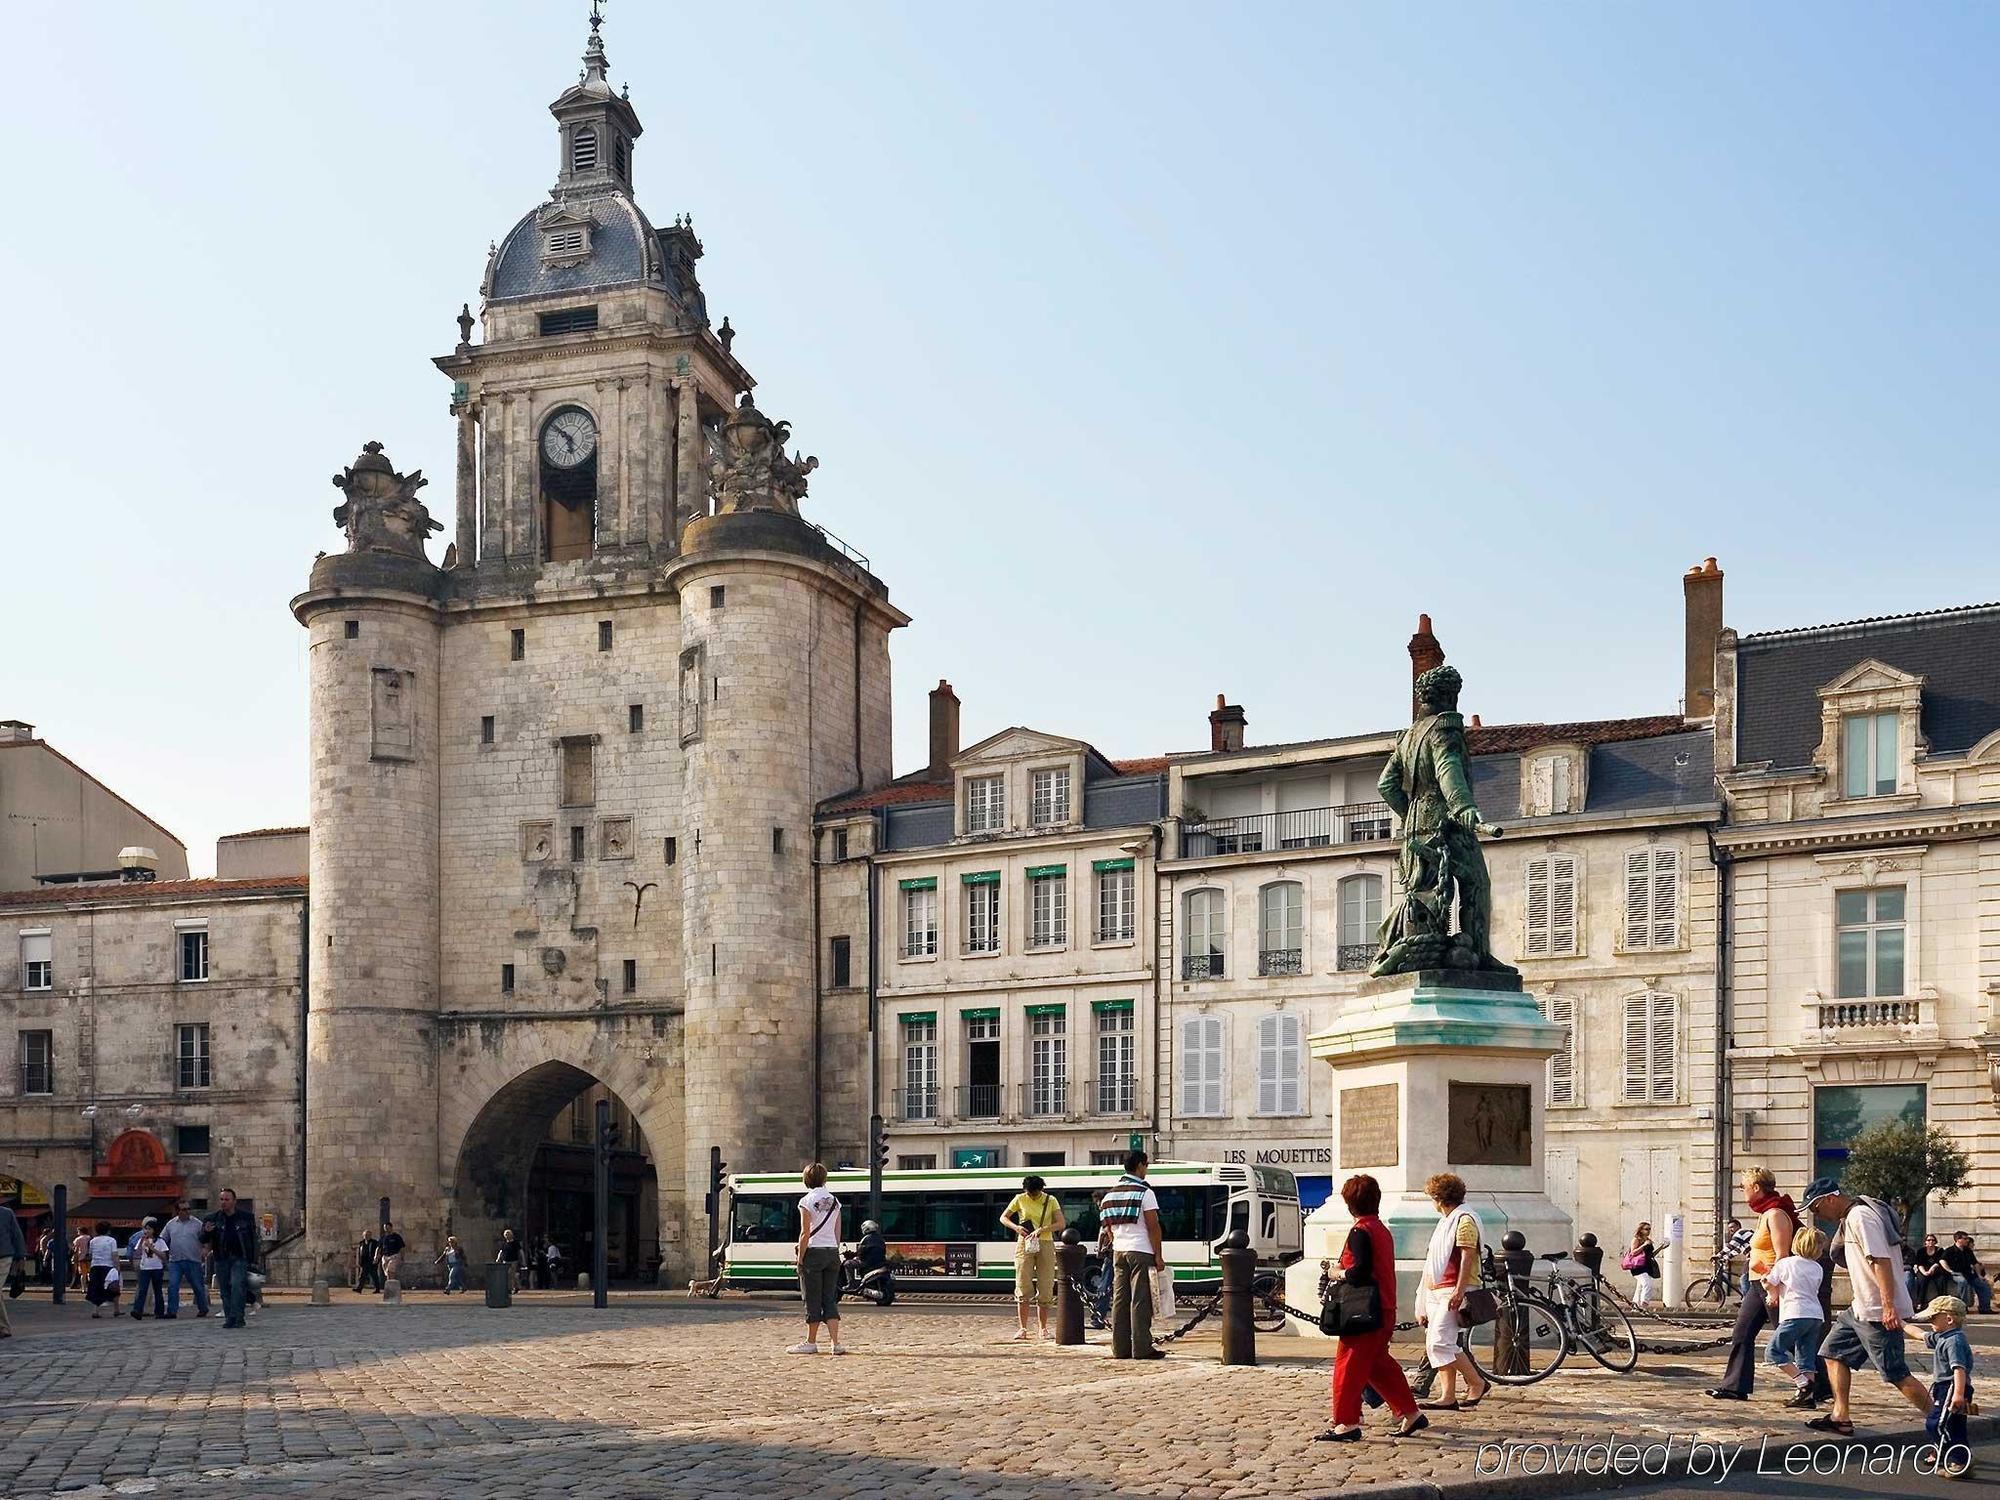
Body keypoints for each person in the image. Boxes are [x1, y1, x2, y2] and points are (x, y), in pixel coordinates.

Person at [1798, 1177, 1931, 1437]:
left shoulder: (1860, 1217)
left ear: (1830, 1199)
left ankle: (1945, 1424)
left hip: (1876, 1310)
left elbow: (1880, 1261)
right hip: (1860, 1307)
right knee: (1832, 1352)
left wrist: (1888, 1306)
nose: (1817, 1215)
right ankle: (1840, 1416)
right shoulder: (1851, 1217)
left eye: (1816, 1208)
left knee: (1896, 1373)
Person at [1315, 1174, 1424, 1443]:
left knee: (1348, 1367)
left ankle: (1346, 1422)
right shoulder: (1382, 1230)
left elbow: (1359, 1272)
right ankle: (1410, 1412)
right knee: (1378, 1366)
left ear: (1350, 1204)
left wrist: (1335, 1272)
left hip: (1362, 1310)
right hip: (1384, 1306)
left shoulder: (1360, 1231)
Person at [1708, 1166, 1796, 1400]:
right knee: (1742, 1333)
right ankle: (1734, 1386)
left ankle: (1818, 1383)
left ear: (1756, 1187)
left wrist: (1774, 1288)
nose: (1742, 1191)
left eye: (1744, 1186)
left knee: (1789, 1338)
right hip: (1757, 1284)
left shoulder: (1776, 1213)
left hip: (1771, 1284)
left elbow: (1782, 1255)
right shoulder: (1765, 1213)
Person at [1415, 1173, 1489, 1410]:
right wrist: (1423, 1300)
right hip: (1437, 1289)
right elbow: (1431, 1263)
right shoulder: (1445, 1222)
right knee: (1438, 1343)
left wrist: (1459, 1289)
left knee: (1439, 1343)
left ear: (1439, 1198)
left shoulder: (1464, 1220)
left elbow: (1468, 1255)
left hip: (1453, 1288)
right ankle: (1448, 1395)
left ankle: (1477, 1382)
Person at [1100, 1150, 1166, 1361]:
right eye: (1146, 1165)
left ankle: (1120, 1348)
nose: (1146, 1170)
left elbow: (1107, 1228)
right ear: (1139, 1165)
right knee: (1140, 1300)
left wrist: (1118, 1240)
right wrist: (1158, 1255)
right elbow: (1153, 1226)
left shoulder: (1109, 1195)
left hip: (1119, 1251)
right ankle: (1142, 1347)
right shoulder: (1144, 1192)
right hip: (1141, 1250)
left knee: (1120, 1300)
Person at [1762, 1225, 1827, 1406]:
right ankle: (1807, 1399)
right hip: (1814, 1314)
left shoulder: (1785, 1264)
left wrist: (1767, 1285)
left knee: (1773, 1352)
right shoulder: (1817, 1268)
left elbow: (1770, 1283)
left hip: (1794, 1312)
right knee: (1806, 1357)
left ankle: (1803, 1384)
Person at [1914, 1294, 1976, 1480]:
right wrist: (1899, 1322)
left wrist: (1958, 1394)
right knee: (1955, 1425)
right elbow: (1919, 1334)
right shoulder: (1943, 1336)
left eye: (1933, 1318)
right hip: (1946, 1387)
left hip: (1951, 1387)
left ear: (1948, 1319)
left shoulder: (1953, 1341)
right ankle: (1958, 1460)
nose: (1930, 1321)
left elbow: (1958, 1369)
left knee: (1937, 1423)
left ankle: (1957, 1458)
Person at [999, 1174, 1066, 1341]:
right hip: (1025, 1243)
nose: (1031, 1196)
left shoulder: (1051, 1200)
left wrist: (1042, 1229)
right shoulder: (1019, 1198)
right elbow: (1003, 1217)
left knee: (1046, 1284)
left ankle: (1043, 1328)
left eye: (1034, 1193)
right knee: (1022, 1283)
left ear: (1041, 1190)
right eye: (1029, 1193)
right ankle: (1022, 1328)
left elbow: (1061, 1224)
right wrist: (1016, 1228)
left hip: (1045, 1243)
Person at [790, 1162, 845, 1354]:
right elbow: (837, 1230)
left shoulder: (806, 1201)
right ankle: (835, 1343)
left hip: (814, 1252)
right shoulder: (835, 1201)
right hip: (831, 1251)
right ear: (824, 1178)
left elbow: (805, 1232)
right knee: (829, 1298)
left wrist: (800, 1258)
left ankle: (811, 1341)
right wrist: (834, 1249)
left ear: (806, 1179)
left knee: (812, 1297)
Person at [201, 1188, 261, 1330]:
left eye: (227, 1200)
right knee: (225, 1289)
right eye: (221, 1199)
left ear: (234, 1201)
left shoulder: (245, 1217)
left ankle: (237, 1316)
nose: (224, 1202)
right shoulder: (213, 1218)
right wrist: (206, 1232)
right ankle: (230, 1317)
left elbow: (253, 1239)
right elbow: (203, 1238)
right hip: (221, 1257)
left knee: (237, 1285)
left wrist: (254, 1259)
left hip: (239, 1257)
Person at [158, 1200, 210, 1318]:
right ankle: (172, 1311)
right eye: (184, 1209)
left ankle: (203, 1308)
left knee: (197, 1286)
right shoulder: (170, 1224)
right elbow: (162, 1239)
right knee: (173, 1286)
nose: (187, 1211)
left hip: (193, 1259)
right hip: (175, 1260)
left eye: (188, 1209)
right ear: (177, 1211)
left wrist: (205, 1249)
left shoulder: (197, 1223)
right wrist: (162, 1253)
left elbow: (205, 1238)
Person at [1942, 1232, 1992, 1315]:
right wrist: (1949, 1271)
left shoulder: (1967, 1250)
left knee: (1983, 1285)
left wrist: (1979, 1275)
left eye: (1967, 1238)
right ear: (1958, 1240)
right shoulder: (1950, 1250)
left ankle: (1985, 1308)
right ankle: (1963, 1307)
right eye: (1965, 1238)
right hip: (1956, 1274)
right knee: (1963, 1282)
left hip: (1969, 1274)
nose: (1967, 1240)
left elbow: (1975, 1263)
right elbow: (1942, 1260)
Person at [130, 1221, 168, 1320]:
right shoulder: (142, 1240)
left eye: (149, 1229)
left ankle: (159, 1312)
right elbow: (137, 1251)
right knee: (142, 1289)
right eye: (145, 1228)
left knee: (157, 1290)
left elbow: (164, 1256)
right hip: (145, 1268)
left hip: (157, 1268)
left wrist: (152, 1248)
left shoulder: (160, 1242)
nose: (146, 1231)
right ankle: (138, 1310)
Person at [0, 1200, 26, 1339]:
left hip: (3, 1256)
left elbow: (17, 1235)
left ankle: (4, 1327)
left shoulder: (6, 1213)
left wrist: (21, 1256)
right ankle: (3, 1327)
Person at [84, 1221, 120, 1318]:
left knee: (96, 1288)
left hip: (95, 1266)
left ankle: (95, 1310)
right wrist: (117, 1267)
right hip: (108, 1266)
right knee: (114, 1287)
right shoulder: (112, 1240)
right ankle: (116, 1309)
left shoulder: (93, 1241)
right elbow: (114, 1255)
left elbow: (90, 1255)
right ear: (108, 1230)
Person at [1909, 1234, 1953, 1307]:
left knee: (1941, 1280)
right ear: (1925, 1242)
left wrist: (1932, 1269)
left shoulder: (1940, 1250)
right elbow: (1919, 1264)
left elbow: (1939, 1262)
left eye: (1933, 1240)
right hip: (1923, 1269)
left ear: (1935, 1242)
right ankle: (1920, 1302)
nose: (1931, 1242)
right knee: (1922, 1280)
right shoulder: (1921, 1251)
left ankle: (1941, 1301)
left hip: (1936, 1269)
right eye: (1928, 1240)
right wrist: (1925, 1273)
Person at [1627, 1223, 1662, 1305]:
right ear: (1641, 1230)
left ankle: (1635, 1305)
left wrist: (1661, 1248)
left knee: (1640, 1287)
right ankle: (1645, 1303)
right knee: (1647, 1284)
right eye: (1646, 1229)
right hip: (1638, 1266)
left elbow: (1651, 1255)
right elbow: (1633, 1253)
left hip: (1647, 1266)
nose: (1648, 1231)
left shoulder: (1648, 1240)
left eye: (1649, 1229)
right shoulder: (1636, 1240)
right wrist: (1644, 1245)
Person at [378, 1221, 406, 1287]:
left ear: (391, 1227)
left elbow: (402, 1247)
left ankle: (391, 1285)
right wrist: (376, 1256)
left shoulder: (396, 1237)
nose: (386, 1229)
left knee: (390, 1270)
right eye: (385, 1228)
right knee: (387, 1272)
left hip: (394, 1256)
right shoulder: (383, 1237)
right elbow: (379, 1247)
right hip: (385, 1257)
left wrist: (402, 1257)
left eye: (387, 1227)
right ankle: (390, 1284)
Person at [354, 1228, 382, 1293]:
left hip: (372, 1261)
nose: (367, 1236)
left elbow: (378, 1250)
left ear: (370, 1235)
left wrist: (376, 1259)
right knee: (362, 1276)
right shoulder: (361, 1243)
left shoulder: (374, 1242)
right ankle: (359, 1288)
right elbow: (360, 1252)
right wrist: (360, 1261)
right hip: (364, 1262)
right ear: (363, 1236)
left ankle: (377, 1289)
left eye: (368, 1235)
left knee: (374, 1276)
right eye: (365, 1235)